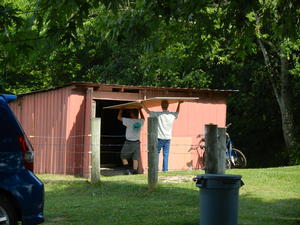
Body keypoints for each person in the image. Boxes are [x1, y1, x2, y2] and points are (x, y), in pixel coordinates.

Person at [142, 100, 183, 172]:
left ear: (161, 106)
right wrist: (179, 104)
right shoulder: (171, 115)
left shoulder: (159, 114)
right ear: (168, 106)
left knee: (156, 154)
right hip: (168, 138)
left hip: (159, 138)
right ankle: (165, 170)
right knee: (166, 155)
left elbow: (148, 112)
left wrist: (142, 104)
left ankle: (155, 169)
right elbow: (177, 113)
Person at [118, 108, 145, 175]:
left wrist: (121, 110)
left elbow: (119, 117)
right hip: (137, 142)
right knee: (135, 157)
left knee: (123, 156)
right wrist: (140, 110)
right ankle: (135, 171)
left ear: (132, 114)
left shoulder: (129, 121)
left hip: (129, 142)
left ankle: (127, 170)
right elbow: (143, 118)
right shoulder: (140, 121)